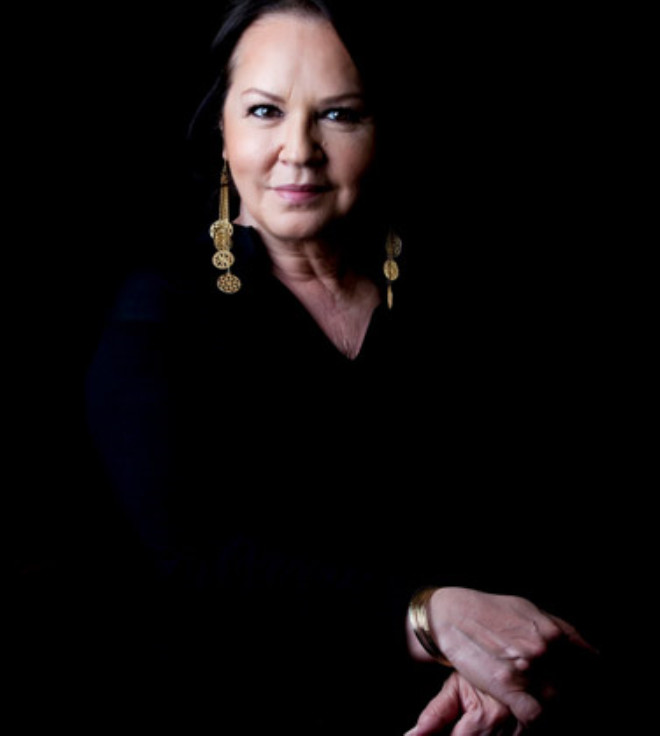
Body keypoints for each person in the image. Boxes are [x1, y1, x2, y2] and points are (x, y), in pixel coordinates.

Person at [85, 1, 603, 733]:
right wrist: (429, 619)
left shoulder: (459, 298)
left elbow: (537, 502)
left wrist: (497, 657)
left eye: (338, 114)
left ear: (380, 128)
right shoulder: (159, 314)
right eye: (265, 111)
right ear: (222, 130)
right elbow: (191, 566)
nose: (299, 150)